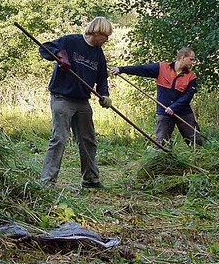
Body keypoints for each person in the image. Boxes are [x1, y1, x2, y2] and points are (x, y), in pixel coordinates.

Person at [38, 17, 114, 189]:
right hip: (62, 98)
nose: (107, 40)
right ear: (96, 32)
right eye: (105, 36)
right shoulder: (71, 41)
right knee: (59, 138)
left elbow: (102, 78)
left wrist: (105, 95)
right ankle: (47, 183)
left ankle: (90, 180)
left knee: (88, 140)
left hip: (82, 101)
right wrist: (59, 56)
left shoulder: (98, 53)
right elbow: (45, 48)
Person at [110, 47, 202, 147]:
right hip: (164, 112)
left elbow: (188, 96)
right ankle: (161, 160)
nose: (192, 63)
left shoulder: (191, 76)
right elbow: (141, 69)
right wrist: (121, 69)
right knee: (161, 143)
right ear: (183, 57)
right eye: (191, 59)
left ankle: (200, 160)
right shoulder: (162, 68)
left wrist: (173, 107)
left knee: (195, 140)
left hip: (184, 113)